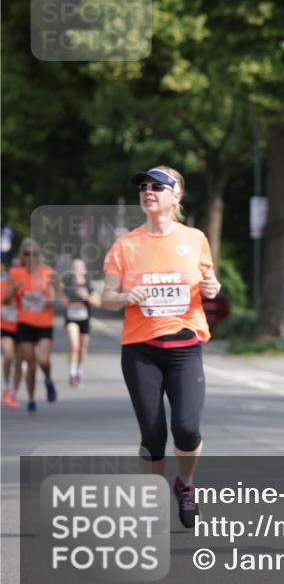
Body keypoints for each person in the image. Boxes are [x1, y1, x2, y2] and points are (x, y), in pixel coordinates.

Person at [101, 166, 221, 528]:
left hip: (184, 346)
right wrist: (124, 296)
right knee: (153, 435)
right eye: (144, 187)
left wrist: (212, 287)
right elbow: (106, 297)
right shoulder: (126, 245)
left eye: (157, 186)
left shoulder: (195, 238)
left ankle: (185, 483)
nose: (148, 192)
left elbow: (208, 281)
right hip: (141, 350)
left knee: (186, 428)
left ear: (176, 196)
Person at [3, 239, 63, 414]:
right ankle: (31, 400)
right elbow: (5, 301)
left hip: (44, 323)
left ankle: (49, 380)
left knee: (43, 360)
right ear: (22, 255)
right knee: (30, 365)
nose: (31, 257)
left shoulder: (47, 272)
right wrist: (14, 290)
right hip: (24, 323)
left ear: (39, 255)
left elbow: (58, 297)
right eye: (27, 254)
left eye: (35, 253)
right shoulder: (15, 273)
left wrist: (53, 294)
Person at [63, 258, 100, 387]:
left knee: (82, 348)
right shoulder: (68, 285)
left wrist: (86, 297)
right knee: (74, 345)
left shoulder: (89, 285)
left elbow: (98, 303)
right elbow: (60, 298)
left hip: (84, 319)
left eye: (79, 267)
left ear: (84, 270)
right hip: (71, 319)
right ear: (71, 270)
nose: (77, 270)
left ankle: (79, 371)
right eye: (74, 267)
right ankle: (72, 374)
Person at [1, 258, 19, 409]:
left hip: (23, 326)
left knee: (19, 361)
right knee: (8, 356)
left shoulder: (29, 285)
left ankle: (13, 392)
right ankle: (7, 386)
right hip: (5, 325)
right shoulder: (2, 285)